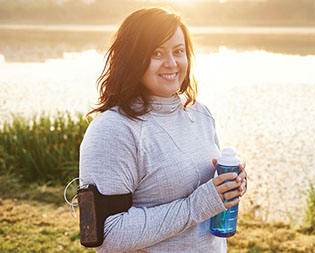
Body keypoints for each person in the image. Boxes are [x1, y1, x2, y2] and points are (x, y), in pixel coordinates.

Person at [79, 7, 248, 252]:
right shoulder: (112, 130)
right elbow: (108, 234)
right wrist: (200, 204)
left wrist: (231, 183)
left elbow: (208, 189)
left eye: (178, 51)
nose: (172, 63)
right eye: (156, 53)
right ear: (132, 59)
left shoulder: (201, 114)